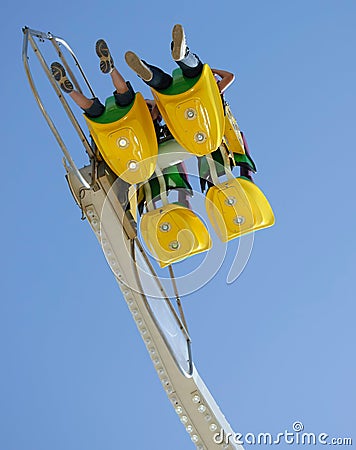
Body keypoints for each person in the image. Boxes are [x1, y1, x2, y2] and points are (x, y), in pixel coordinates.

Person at [125, 24, 234, 94]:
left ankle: (182, 56)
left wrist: (210, 71)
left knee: (195, 71)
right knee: (164, 86)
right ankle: (150, 76)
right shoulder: (214, 91)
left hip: (181, 92)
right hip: (181, 96)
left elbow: (230, 76)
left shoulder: (215, 91)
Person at [51, 39, 137, 118]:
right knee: (125, 102)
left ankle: (111, 69)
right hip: (131, 121)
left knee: (96, 110)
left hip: (108, 124)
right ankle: (70, 92)